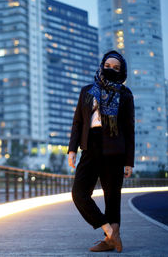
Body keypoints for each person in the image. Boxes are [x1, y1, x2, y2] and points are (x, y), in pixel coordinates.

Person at [67, 50, 135, 253]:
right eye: (108, 66)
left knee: (112, 197)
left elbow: (129, 129)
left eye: (116, 68)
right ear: (101, 65)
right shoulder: (87, 91)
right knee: (79, 194)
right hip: (90, 147)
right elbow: (78, 122)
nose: (111, 69)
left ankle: (108, 241)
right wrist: (72, 150)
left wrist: (129, 161)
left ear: (122, 71)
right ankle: (110, 232)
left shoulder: (125, 95)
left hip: (115, 149)